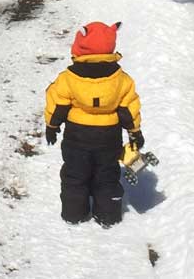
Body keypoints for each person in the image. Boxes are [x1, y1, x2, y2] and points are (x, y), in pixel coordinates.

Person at [43, 21, 143, 227]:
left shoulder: (68, 78)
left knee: (75, 174)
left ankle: (73, 213)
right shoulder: (121, 79)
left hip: (77, 137)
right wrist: (134, 131)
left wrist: (52, 126)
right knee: (106, 175)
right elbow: (128, 107)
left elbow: (58, 102)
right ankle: (108, 215)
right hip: (108, 137)